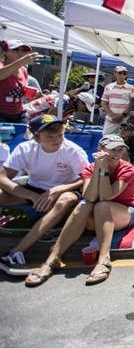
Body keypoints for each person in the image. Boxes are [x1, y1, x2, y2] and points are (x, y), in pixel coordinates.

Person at [24, 135, 134, 286]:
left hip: (125, 212)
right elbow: (89, 196)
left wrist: (103, 170)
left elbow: (107, 196)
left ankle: (104, 259)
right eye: (112, 150)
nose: (117, 153)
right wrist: (98, 168)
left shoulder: (127, 168)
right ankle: (52, 259)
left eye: (120, 149)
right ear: (100, 150)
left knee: (102, 205)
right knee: (84, 205)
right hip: (98, 213)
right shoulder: (90, 169)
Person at [0, 115, 89, 276]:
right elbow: (2, 177)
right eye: (50, 136)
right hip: (34, 189)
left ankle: (17, 251)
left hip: (66, 189)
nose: (57, 140)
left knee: (66, 199)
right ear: (37, 138)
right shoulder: (25, 149)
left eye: (60, 135)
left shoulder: (72, 150)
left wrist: (59, 189)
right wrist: (31, 196)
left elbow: (86, 177)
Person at [0, 40, 42, 123]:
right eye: (16, 50)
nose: (20, 53)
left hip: (19, 113)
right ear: (5, 52)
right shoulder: (1, 65)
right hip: (1, 113)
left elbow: (20, 90)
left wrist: (31, 94)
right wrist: (21, 62)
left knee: (24, 135)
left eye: (23, 51)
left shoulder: (23, 70)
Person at [101, 66, 134, 135]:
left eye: (124, 73)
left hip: (125, 120)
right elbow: (104, 102)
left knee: (125, 139)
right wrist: (112, 115)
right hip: (111, 120)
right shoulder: (108, 87)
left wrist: (122, 115)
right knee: (106, 138)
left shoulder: (132, 88)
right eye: (120, 73)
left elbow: (133, 104)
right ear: (115, 74)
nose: (122, 75)